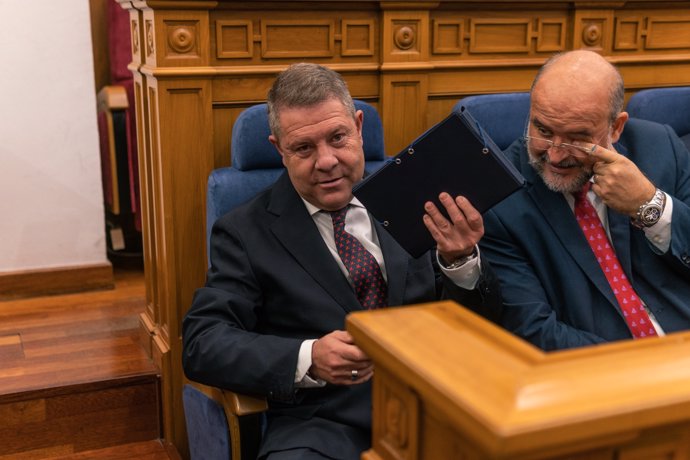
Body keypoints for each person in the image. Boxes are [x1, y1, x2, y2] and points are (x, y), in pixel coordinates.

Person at [182, 63, 502, 459]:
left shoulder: (416, 198)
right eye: (304, 148)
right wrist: (309, 357)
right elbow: (202, 343)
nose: (327, 160)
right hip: (323, 425)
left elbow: (478, 324)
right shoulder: (245, 231)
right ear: (278, 149)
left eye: (338, 138)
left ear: (358, 127)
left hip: (433, 406)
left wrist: (461, 261)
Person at [479, 50, 690, 351]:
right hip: (600, 375)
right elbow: (533, 329)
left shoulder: (660, 147)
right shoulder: (499, 197)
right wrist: (642, 364)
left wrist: (650, 205)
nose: (554, 154)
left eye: (577, 138)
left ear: (616, 127)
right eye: (543, 129)